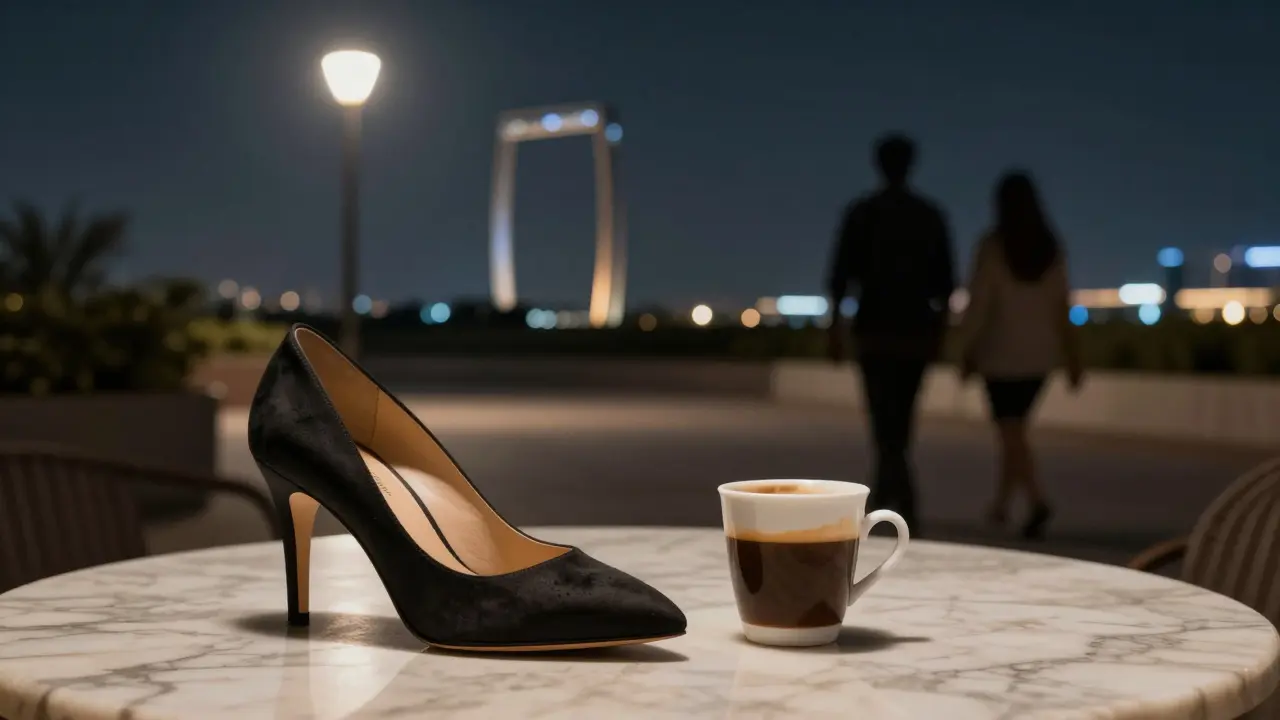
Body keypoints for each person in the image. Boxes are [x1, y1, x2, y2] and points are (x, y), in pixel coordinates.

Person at [827, 134, 955, 531]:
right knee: (901, 421)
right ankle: (897, 499)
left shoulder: (862, 212)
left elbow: (840, 276)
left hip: (875, 332)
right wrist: (940, 332)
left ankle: (892, 498)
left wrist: (835, 328)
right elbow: (946, 283)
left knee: (884, 420)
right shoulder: (929, 215)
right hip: (914, 332)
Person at [954, 171, 1083, 540]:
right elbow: (1063, 305)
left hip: (1000, 356)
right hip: (1040, 356)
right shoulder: (1051, 248)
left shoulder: (993, 246)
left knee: (1011, 432)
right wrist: (1073, 355)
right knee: (1014, 431)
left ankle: (1038, 499)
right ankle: (1001, 505)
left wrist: (967, 349)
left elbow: (979, 304)